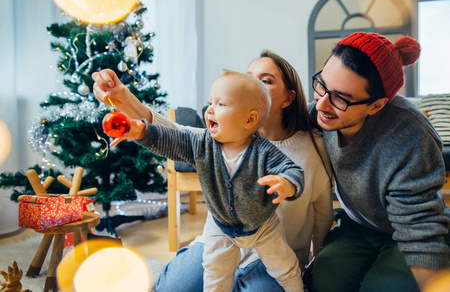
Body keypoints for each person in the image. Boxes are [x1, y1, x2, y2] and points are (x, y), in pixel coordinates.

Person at [92, 50, 333, 291]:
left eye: (265, 80)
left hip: (273, 252)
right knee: (173, 286)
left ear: (288, 99)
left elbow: (323, 214)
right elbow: (174, 134)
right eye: (248, 77)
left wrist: (317, 264)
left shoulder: (312, 147)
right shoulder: (219, 139)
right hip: (221, 240)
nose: (251, 84)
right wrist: (125, 99)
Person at [308, 32, 450, 292]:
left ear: (376, 106)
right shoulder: (319, 112)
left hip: (408, 230)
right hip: (358, 225)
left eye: (340, 97)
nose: (322, 105)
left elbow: (419, 228)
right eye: (321, 85)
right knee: (325, 281)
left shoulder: (411, 136)